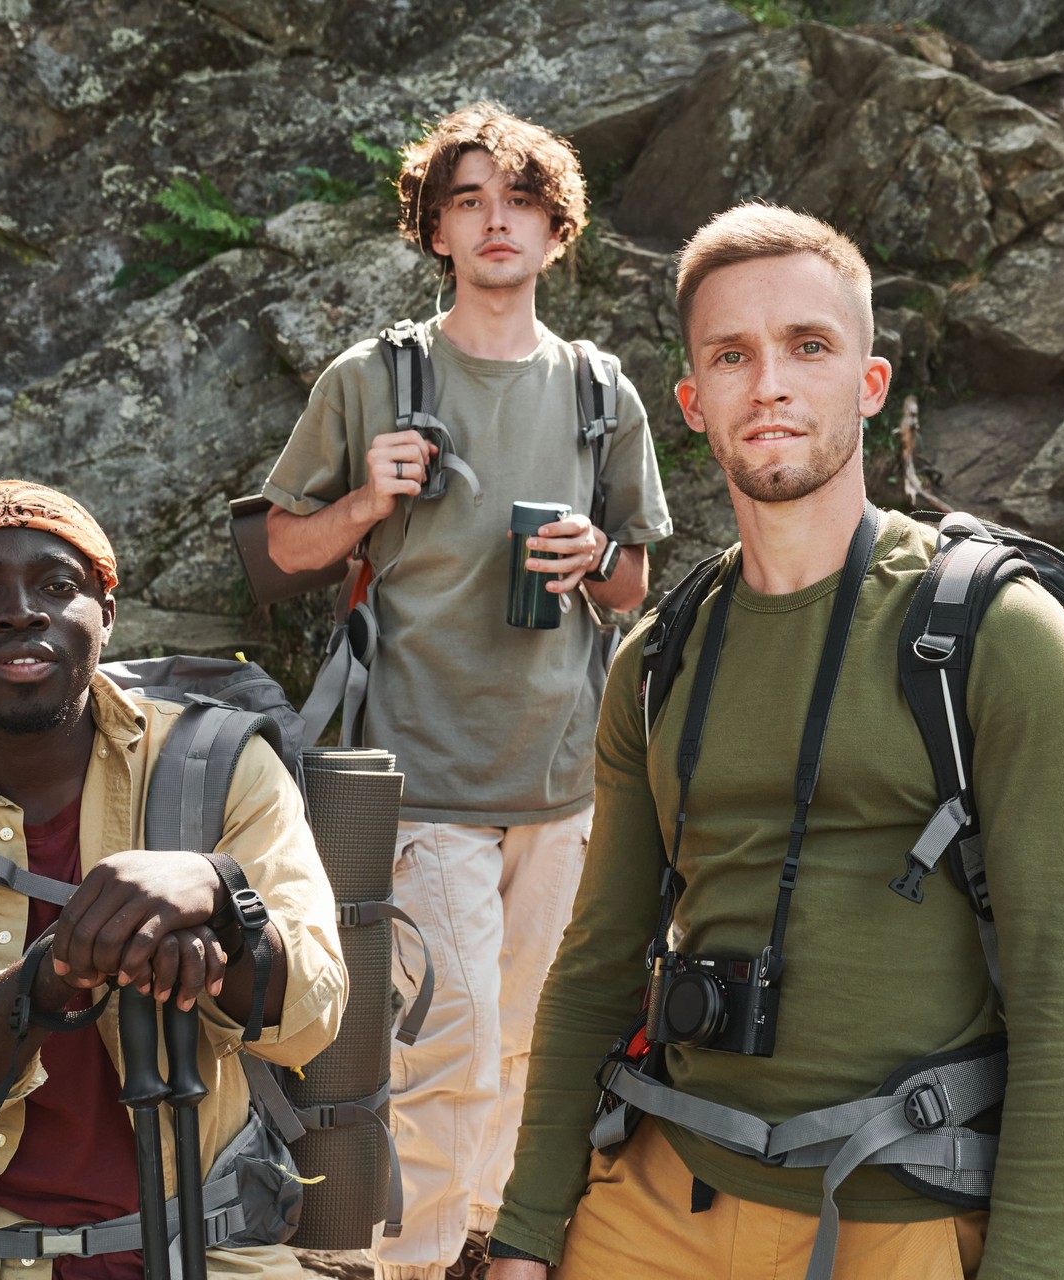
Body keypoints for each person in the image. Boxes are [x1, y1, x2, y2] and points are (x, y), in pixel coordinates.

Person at [482, 203, 1064, 1280]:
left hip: (894, 1205)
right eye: (732, 355)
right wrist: (524, 1231)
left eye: (809, 347)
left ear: (869, 385)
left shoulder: (997, 639)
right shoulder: (658, 658)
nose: (769, 382)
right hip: (659, 1191)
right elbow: (597, 964)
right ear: (692, 402)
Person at [260, 102, 671, 1280]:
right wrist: (363, 506)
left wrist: (596, 558)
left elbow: (637, 581)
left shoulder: (602, 391)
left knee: (539, 1047)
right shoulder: (372, 376)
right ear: (435, 229)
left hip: (564, 774)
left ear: (556, 230)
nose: (498, 221)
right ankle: (416, 1257)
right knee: (455, 1045)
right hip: (418, 775)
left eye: (521, 201)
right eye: (470, 200)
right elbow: (284, 550)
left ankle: (487, 1240)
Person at [0, 479, 346, 1278]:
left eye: (59, 585)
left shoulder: (224, 770)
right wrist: (47, 980)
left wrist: (223, 899)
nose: (21, 611)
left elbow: (313, 1017)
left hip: (211, 1249)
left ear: (106, 615)